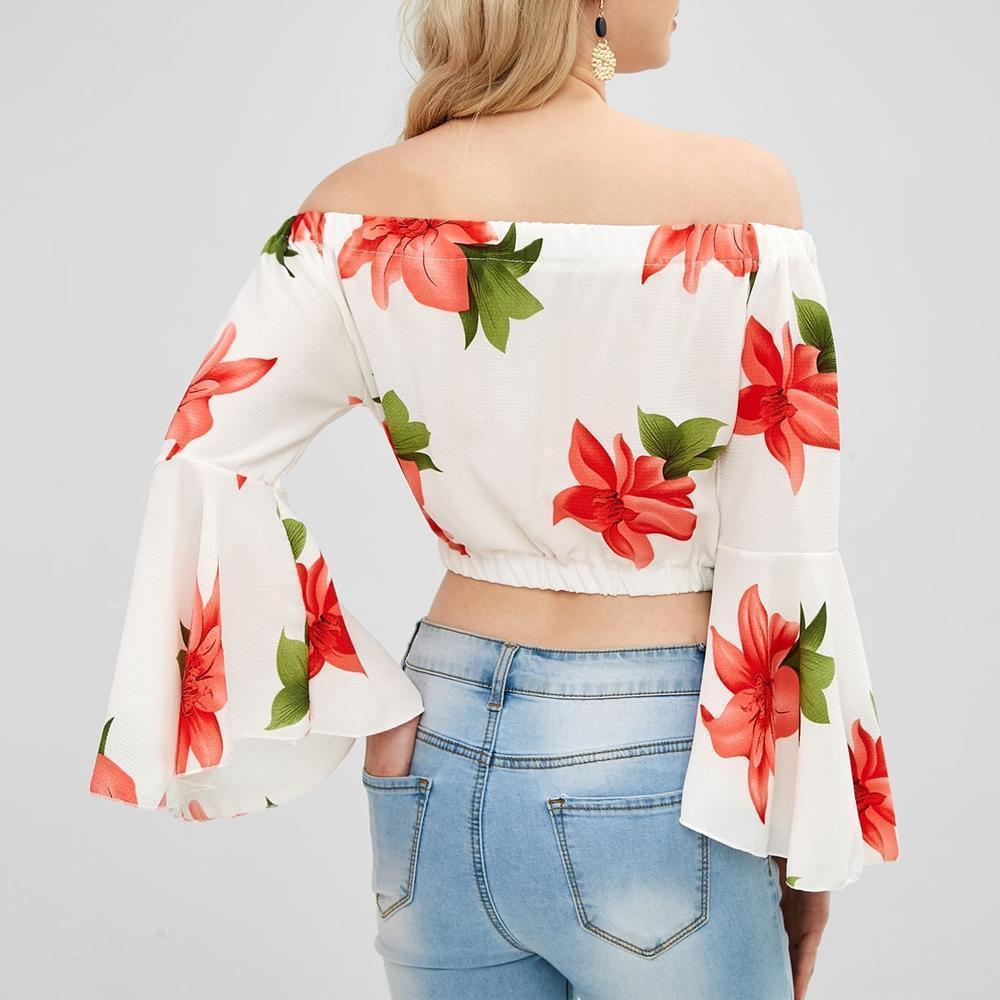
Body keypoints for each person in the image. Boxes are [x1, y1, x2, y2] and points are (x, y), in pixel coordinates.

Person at [88, 2, 900, 998]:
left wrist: (366, 687)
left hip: (439, 733)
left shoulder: (354, 206)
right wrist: (804, 830)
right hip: (662, 751)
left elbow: (203, 456)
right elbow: (786, 534)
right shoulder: (744, 199)